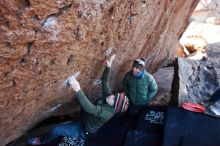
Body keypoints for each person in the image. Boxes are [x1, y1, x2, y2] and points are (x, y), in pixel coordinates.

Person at [28, 54, 129, 145]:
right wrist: (108, 66)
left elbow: (91, 109)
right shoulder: (110, 98)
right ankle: (72, 116)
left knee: (56, 130)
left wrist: (77, 89)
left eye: (114, 99)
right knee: (82, 99)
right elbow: (105, 82)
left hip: (83, 129)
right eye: (115, 95)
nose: (112, 96)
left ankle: (41, 141)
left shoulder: (107, 113)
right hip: (86, 116)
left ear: (114, 106)